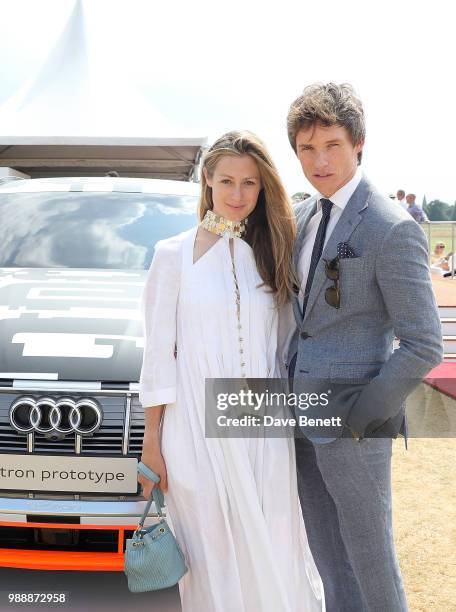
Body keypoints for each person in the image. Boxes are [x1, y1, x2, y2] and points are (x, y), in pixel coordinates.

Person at [138, 131, 324, 612]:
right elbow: (158, 354)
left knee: (276, 545)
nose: (238, 195)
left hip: (262, 421)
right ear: (207, 180)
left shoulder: (275, 252)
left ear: (263, 189)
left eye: (250, 184)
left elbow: (283, 345)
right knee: (211, 553)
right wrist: (151, 441)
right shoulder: (171, 254)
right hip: (194, 427)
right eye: (227, 181)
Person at [283, 83, 443, 611]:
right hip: (299, 413)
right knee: (331, 565)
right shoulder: (305, 216)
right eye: (307, 148)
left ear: (358, 144)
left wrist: (360, 417)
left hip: (353, 425)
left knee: (373, 570)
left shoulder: (389, 227)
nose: (319, 160)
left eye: (331, 145)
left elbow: (423, 342)